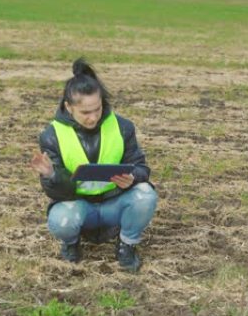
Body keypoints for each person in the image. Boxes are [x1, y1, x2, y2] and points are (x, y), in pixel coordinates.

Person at [30, 57, 157, 272]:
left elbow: (141, 167)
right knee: (61, 219)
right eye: (86, 113)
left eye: (97, 109)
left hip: (114, 204)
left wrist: (133, 178)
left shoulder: (122, 126)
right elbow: (60, 193)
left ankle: (126, 245)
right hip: (80, 207)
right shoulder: (52, 136)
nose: (93, 117)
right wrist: (51, 175)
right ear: (69, 107)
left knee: (146, 194)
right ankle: (71, 244)